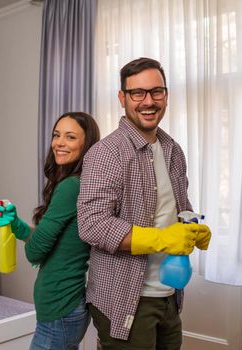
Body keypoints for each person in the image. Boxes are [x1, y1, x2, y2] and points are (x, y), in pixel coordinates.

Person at [77, 57, 212, 349]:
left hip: (169, 294)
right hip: (125, 298)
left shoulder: (173, 149)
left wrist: (192, 226)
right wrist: (162, 239)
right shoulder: (106, 153)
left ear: (166, 95)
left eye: (156, 92)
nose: (148, 101)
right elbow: (92, 225)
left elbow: (177, 207)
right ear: (122, 98)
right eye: (137, 93)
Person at [0, 112, 100, 350]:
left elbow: (36, 251)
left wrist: (35, 242)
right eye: (56, 135)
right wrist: (15, 224)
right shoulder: (76, 183)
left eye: (70, 137)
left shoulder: (71, 186)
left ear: (86, 145)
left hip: (60, 306)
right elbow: (55, 241)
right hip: (64, 307)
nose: (59, 143)